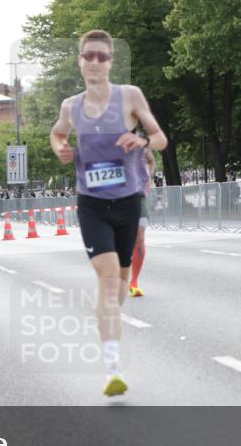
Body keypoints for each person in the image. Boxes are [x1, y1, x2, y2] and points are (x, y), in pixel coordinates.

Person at [50, 29, 167, 397]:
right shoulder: (71, 106)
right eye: (89, 56)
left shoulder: (129, 96)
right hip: (92, 204)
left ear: (111, 61)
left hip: (128, 201)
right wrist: (61, 148)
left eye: (103, 56)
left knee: (118, 284)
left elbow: (160, 137)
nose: (96, 62)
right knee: (105, 279)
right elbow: (56, 134)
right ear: (80, 61)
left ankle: (111, 330)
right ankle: (112, 364)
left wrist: (143, 140)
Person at [129, 148, 155, 298]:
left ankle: (134, 282)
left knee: (139, 238)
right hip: (115, 197)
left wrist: (148, 178)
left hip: (138, 197)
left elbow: (150, 160)